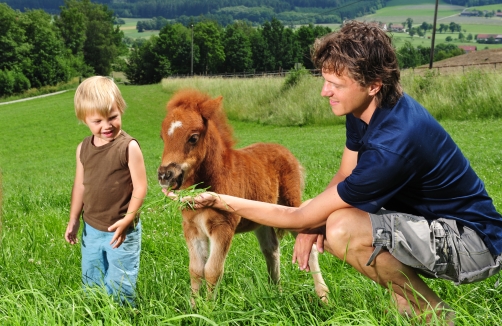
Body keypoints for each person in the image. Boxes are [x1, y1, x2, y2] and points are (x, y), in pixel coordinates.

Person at [163, 21, 502, 324]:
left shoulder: (393, 143)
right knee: (331, 215)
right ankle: (406, 303)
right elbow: (343, 175)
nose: (325, 91)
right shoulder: (366, 111)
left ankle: (437, 315)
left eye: (336, 84)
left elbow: (299, 217)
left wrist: (222, 200)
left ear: (373, 84)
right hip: (431, 224)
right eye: (325, 81)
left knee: (341, 228)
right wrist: (311, 221)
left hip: (472, 242)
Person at [65, 76, 147, 305]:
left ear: (121, 109)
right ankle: (96, 314)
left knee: (121, 283)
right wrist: (74, 220)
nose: (107, 126)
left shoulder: (128, 147)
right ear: (84, 120)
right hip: (91, 230)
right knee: (91, 279)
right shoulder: (83, 148)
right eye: (97, 121)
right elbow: (80, 185)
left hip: (121, 231)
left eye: (112, 117)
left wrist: (127, 220)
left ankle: (122, 316)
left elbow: (141, 186)